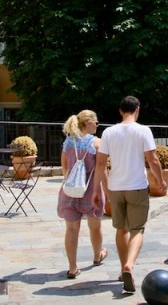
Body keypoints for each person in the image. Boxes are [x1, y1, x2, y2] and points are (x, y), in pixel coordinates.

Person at [92, 96, 166, 294]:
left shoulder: (108, 132)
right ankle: (129, 265)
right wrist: (160, 180)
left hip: (116, 188)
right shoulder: (143, 130)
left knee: (121, 229)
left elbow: (100, 163)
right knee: (137, 230)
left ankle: (122, 268)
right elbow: (153, 159)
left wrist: (96, 190)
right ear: (137, 110)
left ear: (120, 111)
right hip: (137, 187)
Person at [57, 109, 108, 279]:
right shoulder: (97, 143)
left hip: (71, 191)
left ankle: (72, 268)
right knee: (95, 227)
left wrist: (71, 181)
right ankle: (97, 255)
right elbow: (102, 170)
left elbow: (64, 167)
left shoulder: (68, 142)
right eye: (96, 122)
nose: (97, 125)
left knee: (71, 229)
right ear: (87, 122)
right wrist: (107, 192)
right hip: (91, 192)